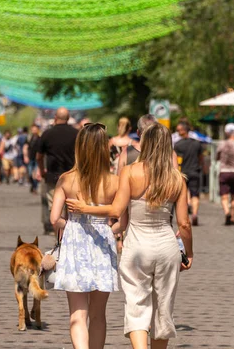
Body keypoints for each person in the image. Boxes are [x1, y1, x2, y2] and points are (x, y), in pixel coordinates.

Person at [66, 123, 193, 349]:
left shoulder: (130, 172)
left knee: (136, 305)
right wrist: (189, 253)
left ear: (146, 144)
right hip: (166, 245)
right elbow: (184, 223)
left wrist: (85, 209)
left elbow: (115, 211)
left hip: (136, 244)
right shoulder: (177, 179)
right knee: (163, 308)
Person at [50, 123, 120, 349]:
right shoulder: (114, 181)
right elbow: (122, 221)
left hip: (75, 245)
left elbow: (54, 219)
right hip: (103, 245)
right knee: (98, 315)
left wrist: (72, 227)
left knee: (77, 315)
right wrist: (108, 231)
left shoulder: (66, 179)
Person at [36, 107, 78, 234]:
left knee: (55, 212)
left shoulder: (47, 134)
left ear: (55, 117)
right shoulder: (77, 133)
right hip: (73, 178)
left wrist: (42, 170)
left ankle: (59, 242)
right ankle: (71, 240)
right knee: (72, 211)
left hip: (53, 178)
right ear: (68, 117)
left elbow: (39, 156)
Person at [174, 122, 203, 226]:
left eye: (178, 130)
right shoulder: (197, 143)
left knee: (184, 193)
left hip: (183, 172)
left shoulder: (177, 145)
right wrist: (200, 167)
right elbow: (201, 158)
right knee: (195, 194)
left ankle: (189, 204)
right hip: (195, 171)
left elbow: (176, 161)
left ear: (183, 131)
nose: (177, 132)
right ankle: (195, 213)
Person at [24, 124, 40, 194]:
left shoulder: (40, 138)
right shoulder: (29, 138)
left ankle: (35, 188)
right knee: (30, 174)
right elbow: (25, 147)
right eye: (33, 129)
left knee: (36, 174)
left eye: (35, 129)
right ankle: (33, 185)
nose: (34, 131)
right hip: (30, 158)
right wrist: (25, 156)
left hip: (37, 159)